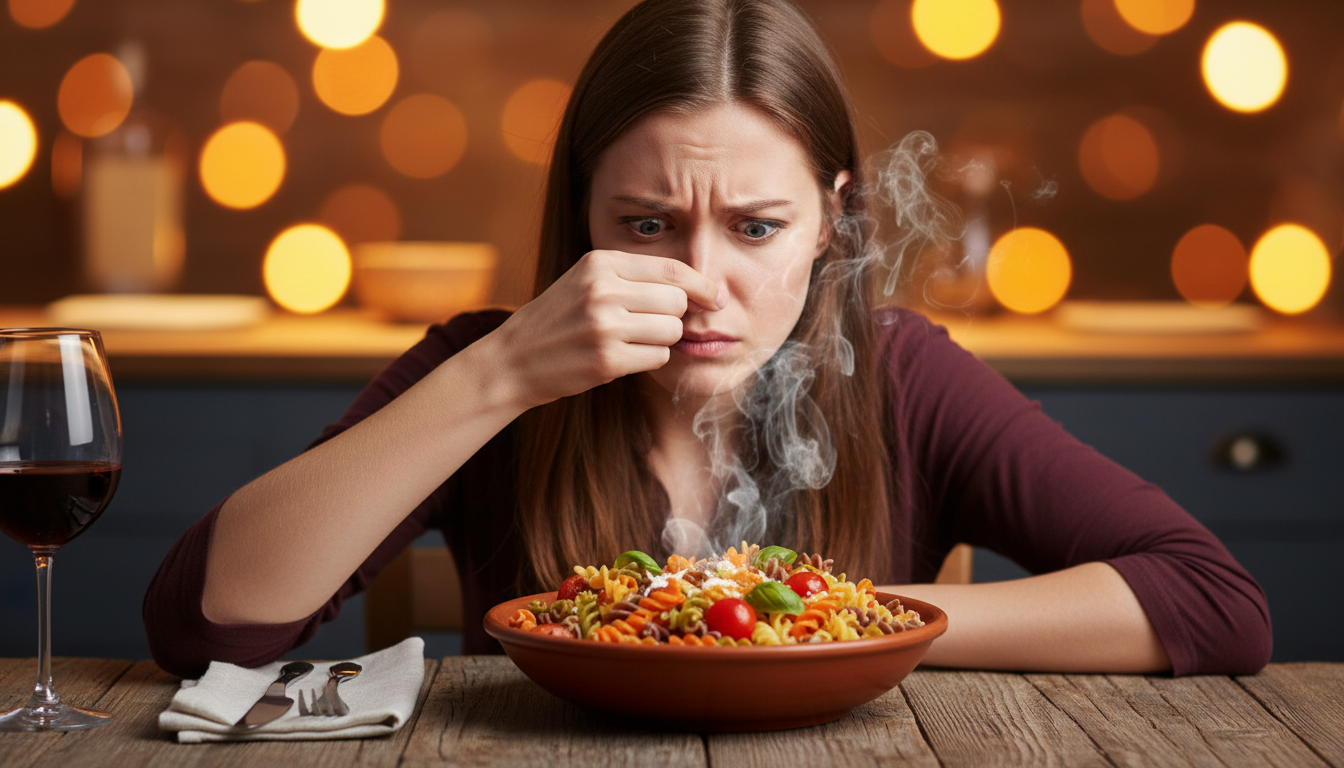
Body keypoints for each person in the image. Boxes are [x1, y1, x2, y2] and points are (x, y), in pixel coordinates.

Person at [144, 0, 1271, 679]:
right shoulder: (491, 369)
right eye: (645, 224)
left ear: (832, 218)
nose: (697, 279)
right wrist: (495, 375)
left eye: (756, 227)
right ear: (581, 216)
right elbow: (203, 625)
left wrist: (842, 626)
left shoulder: (899, 375)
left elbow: (1214, 606)